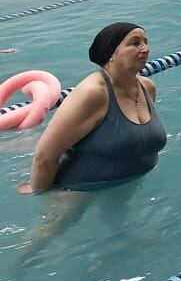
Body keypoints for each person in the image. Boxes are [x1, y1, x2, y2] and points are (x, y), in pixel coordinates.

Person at [20, 23, 166, 193]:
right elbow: (44, 156)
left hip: (129, 186)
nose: (145, 49)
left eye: (145, 42)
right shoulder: (93, 93)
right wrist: (39, 192)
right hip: (78, 191)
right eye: (135, 43)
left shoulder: (147, 88)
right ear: (111, 53)